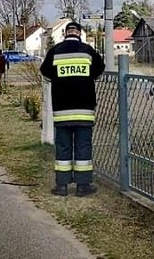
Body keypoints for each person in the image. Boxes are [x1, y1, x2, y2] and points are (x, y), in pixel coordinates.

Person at [40, 21, 106, 197]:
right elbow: (100, 69)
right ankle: (83, 186)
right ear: (79, 33)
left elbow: (45, 73)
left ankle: (62, 186)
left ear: (65, 33)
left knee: (63, 147)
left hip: (62, 109)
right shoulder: (88, 51)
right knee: (83, 146)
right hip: (84, 109)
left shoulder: (55, 51)